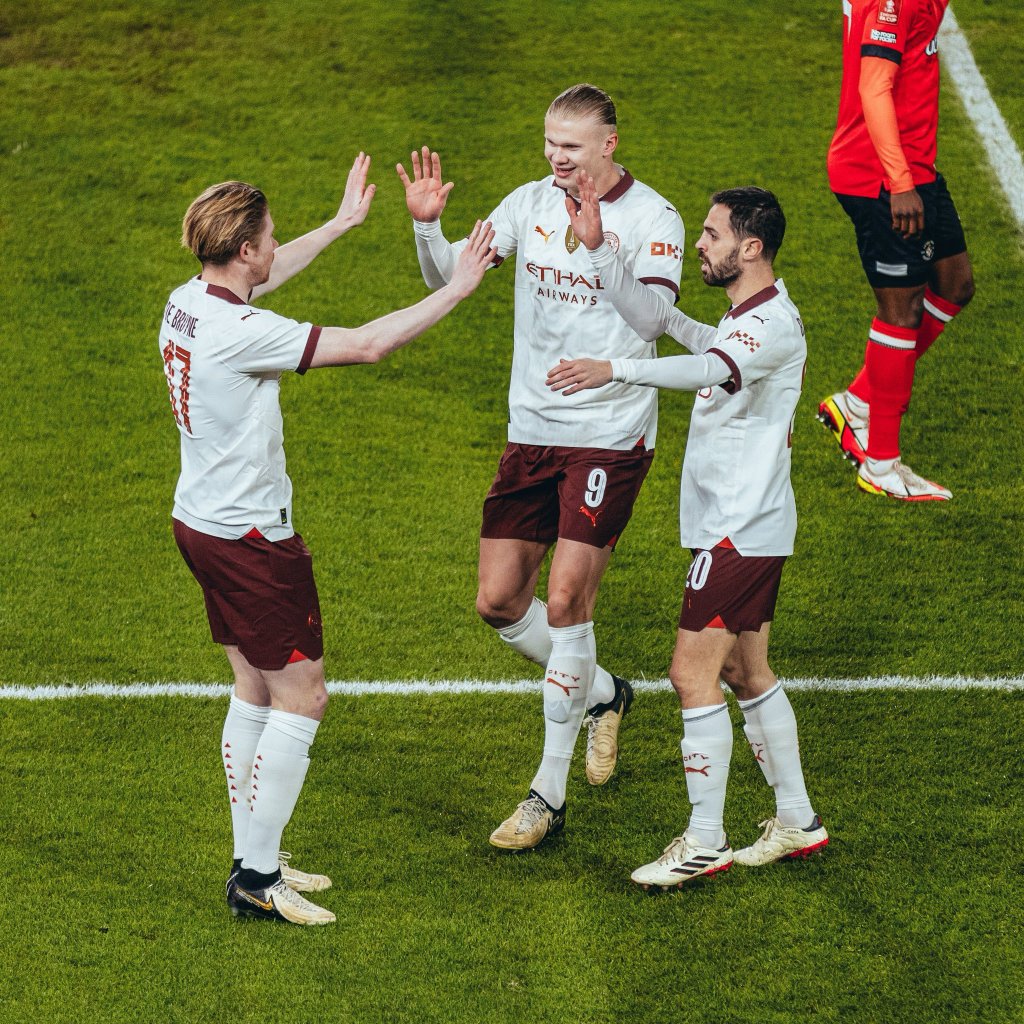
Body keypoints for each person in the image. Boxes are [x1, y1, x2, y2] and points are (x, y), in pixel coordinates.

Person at [161, 154, 496, 924]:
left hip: (200, 523)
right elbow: (369, 344)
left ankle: (256, 855)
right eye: (271, 237)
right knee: (304, 698)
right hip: (250, 540)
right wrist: (456, 287)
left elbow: (263, 286)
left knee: (252, 688)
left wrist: (342, 226)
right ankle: (256, 877)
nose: (276, 248)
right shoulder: (239, 333)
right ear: (244, 249)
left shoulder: (187, 301)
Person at [397, 84, 686, 850]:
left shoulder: (653, 219)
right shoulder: (527, 203)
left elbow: (657, 322)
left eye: (572, 146)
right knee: (498, 602)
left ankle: (545, 796)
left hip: (610, 432)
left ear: (609, 146)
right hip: (532, 430)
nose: (558, 158)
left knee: (565, 605)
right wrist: (429, 231)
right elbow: (448, 279)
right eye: (550, 143)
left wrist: (598, 247)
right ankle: (606, 694)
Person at [547, 179, 827, 889]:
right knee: (745, 672)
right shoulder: (749, 316)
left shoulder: (769, 327)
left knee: (689, 674)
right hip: (743, 527)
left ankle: (704, 838)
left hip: (739, 531)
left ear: (751, 246)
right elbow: (674, 325)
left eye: (712, 233)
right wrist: (604, 254)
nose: (700, 243)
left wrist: (615, 370)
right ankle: (796, 818)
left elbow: (710, 365)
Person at [819, 0, 974, 500]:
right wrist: (899, 181)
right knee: (901, 310)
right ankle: (881, 465)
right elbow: (873, 85)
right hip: (880, 177)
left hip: (916, 169)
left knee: (955, 283)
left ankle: (859, 401)